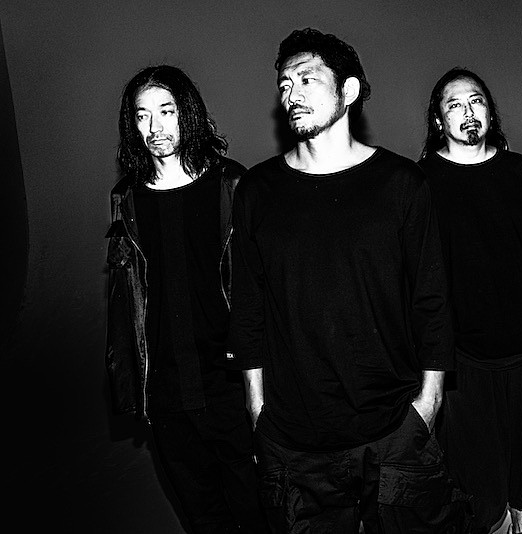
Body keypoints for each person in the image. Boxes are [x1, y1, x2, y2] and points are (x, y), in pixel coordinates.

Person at [227, 28, 470, 533]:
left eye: (307, 79)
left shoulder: (402, 184)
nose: (292, 94)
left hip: (394, 426)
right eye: (285, 84)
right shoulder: (257, 191)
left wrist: (428, 404)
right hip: (293, 440)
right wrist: (257, 410)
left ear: (349, 90)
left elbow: (432, 302)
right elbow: (249, 310)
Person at [418, 68, 522, 534]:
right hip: (465, 354)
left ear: (490, 112)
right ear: (439, 121)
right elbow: (414, 275)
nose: (468, 112)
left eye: (476, 101)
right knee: (473, 460)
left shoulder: (518, 170)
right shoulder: (423, 182)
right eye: (455, 105)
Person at [106, 65, 265, 533]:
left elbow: (261, 291)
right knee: (204, 521)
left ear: (188, 113)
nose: (154, 127)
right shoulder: (127, 200)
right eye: (142, 116)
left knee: (263, 515)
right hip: (167, 397)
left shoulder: (231, 185)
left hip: (234, 389)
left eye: (166, 111)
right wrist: (133, 389)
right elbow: (124, 303)